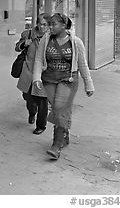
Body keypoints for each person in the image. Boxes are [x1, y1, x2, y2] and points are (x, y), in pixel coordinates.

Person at [32, 13, 94, 160]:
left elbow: (82, 64)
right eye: (49, 24)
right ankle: (65, 133)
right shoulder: (46, 40)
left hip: (68, 80)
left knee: (60, 108)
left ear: (64, 26)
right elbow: (39, 59)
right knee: (59, 109)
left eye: (54, 24)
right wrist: (36, 78)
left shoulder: (76, 42)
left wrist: (88, 84)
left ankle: (56, 144)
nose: (50, 27)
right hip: (49, 80)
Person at [15, 13, 49, 134]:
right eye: (40, 23)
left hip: (44, 73)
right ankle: (32, 112)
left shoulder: (52, 37)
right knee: (28, 97)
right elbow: (17, 47)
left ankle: (41, 125)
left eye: (45, 24)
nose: (42, 27)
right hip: (29, 71)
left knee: (43, 101)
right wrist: (24, 44)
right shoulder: (28, 34)